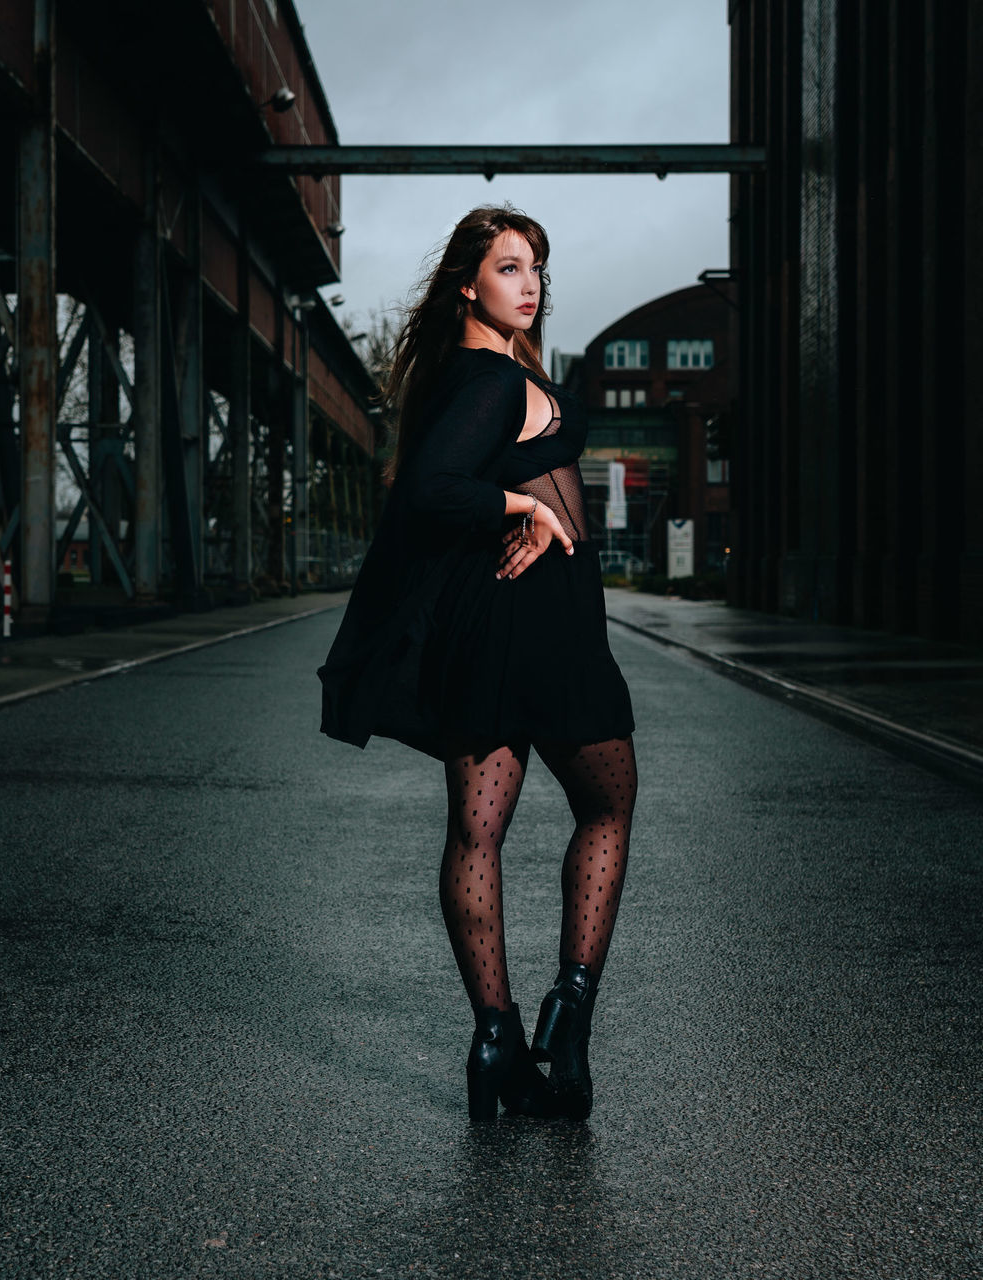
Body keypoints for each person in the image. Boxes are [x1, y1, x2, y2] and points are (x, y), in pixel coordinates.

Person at [318, 206, 636, 1122]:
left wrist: (518, 507)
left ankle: (496, 1040)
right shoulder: (492, 375)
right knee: (608, 802)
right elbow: (431, 489)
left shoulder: (473, 371)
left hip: (485, 629)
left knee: (477, 831)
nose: (529, 282)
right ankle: (566, 1013)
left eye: (536, 266)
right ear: (469, 282)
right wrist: (530, 510)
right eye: (508, 267)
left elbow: (432, 481)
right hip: (543, 627)